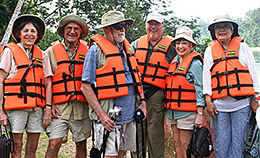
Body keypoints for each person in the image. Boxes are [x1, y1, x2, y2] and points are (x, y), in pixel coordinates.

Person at [81, 10, 146, 158]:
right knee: (109, 155)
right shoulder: (95, 51)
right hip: (108, 117)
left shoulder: (128, 49)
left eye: (124, 26)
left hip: (129, 116)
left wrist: (142, 102)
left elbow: (136, 79)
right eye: (118, 26)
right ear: (106, 29)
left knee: (122, 154)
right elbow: (85, 86)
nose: (122, 29)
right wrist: (102, 116)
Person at [203, 14, 260, 158]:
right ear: (214, 31)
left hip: (242, 106)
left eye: (225, 26)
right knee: (221, 146)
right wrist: (208, 102)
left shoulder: (243, 47)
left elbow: (254, 75)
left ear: (232, 29)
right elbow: (207, 80)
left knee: (240, 146)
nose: (222, 30)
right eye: (218, 27)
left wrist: (256, 99)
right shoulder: (210, 51)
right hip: (219, 108)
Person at [0, 14, 53, 158]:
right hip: (15, 108)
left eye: (33, 31)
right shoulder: (9, 52)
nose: (29, 34)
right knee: (16, 146)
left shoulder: (43, 55)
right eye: (26, 31)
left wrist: (48, 108)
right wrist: (0, 111)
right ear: (19, 34)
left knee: (33, 147)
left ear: (37, 35)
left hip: (36, 108)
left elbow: (48, 83)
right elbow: (0, 80)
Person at [45, 14, 91, 158]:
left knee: (81, 144)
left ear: (81, 32)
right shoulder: (50, 52)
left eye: (76, 29)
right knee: (54, 144)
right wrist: (50, 104)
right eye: (69, 28)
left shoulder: (89, 50)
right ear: (63, 30)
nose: (72, 31)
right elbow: (46, 81)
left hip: (81, 107)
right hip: (59, 107)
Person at [131, 12, 177, 158]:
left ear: (163, 26)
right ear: (146, 26)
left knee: (155, 134)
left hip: (156, 94)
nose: (153, 27)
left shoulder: (171, 46)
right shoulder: (137, 44)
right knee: (137, 134)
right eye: (150, 23)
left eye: (156, 24)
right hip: (137, 93)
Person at [164, 26, 205, 158]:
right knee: (177, 142)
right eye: (178, 43)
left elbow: (200, 88)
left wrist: (200, 113)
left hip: (187, 112)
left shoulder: (195, 63)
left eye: (184, 43)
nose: (181, 46)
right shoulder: (174, 61)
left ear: (191, 45)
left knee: (186, 144)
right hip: (172, 112)